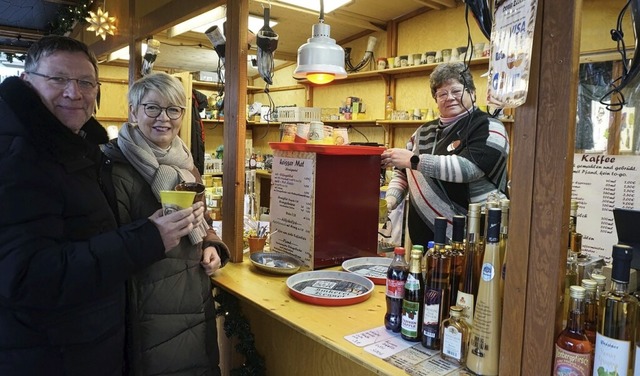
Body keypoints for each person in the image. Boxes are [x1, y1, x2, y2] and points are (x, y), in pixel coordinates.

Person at [0, 36, 206, 376]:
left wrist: (208, 239)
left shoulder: (80, 152)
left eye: (85, 82)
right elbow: (27, 276)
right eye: (58, 79)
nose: (74, 93)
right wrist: (149, 237)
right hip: (56, 350)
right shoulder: (22, 155)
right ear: (26, 81)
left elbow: (96, 232)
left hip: (105, 333)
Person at [101, 72, 230, 376]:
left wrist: (211, 242)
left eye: (174, 110)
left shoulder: (186, 164)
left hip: (194, 293)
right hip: (146, 303)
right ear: (133, 111)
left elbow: (202, 217)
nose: (165, 119)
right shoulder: (113, 166)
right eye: (152, 108)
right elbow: (105, 243)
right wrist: (149, 232)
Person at [381, 62, 509, 246]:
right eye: (442, 93)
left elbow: (470, 169)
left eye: (456, 91)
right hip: (423, 239)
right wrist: (391, 201)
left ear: (472, 92)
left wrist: (413, 160)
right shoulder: (422, 132)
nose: (449, 97)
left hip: (475, 239)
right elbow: (402, 173)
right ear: (436, 100)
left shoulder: (489, 126)